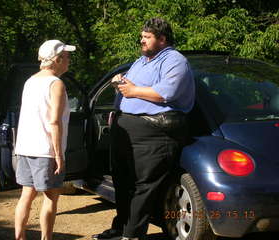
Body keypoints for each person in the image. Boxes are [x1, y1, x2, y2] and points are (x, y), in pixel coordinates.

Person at [92, 18, 195, 240]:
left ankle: (132, 234)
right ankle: (120, 227)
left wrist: (134, 90)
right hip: (126, 129)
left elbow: (166, 92)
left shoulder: (175, 60)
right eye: (142, 36)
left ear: (162, 39)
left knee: (144, 184)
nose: (142, 40)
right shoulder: (141, 61)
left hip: (154, 131)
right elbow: (130, 87)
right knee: (123, 182)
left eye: (147, 37)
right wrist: (121, 82)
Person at [14, 39, 76, 240]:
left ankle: (20, 237)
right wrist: (58, 155)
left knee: (26, 196)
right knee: (50, 199)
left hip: (25, 148)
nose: (69, 61)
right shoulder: (56, 84)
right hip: (45, 151)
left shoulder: (30, 81)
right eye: (66, 57)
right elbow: (54, 122)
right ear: (57, 60)